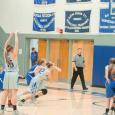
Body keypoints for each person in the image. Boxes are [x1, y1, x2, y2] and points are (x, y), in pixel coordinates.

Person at [0, 31, 20, 115]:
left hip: (6, 74)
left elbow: (5, 44)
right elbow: (16, 43)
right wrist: (15, 34)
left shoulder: (5, 55)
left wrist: (10, 36)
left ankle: (1, 109)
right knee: (14, 93)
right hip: (13, 74)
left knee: (5, 93)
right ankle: (14, 110)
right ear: (12, 49)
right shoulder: (14, 54)